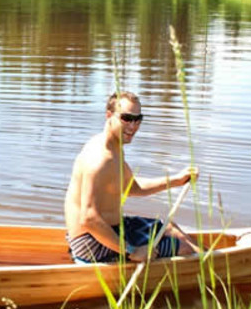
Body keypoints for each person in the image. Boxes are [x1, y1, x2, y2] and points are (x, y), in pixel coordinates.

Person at [64, 91, 200, 264]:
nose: (133, 126)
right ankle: (211, 271)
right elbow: (88, 218)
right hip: (92, 243)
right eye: (126, 118)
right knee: (183, 248)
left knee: (168, 228)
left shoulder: (113, 147)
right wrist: (132, 251)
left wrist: (176, 180)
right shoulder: (100, 159)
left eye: (138, 119)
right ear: (109, 116)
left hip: (113, 228)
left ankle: (210, 264)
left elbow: (132, 187)